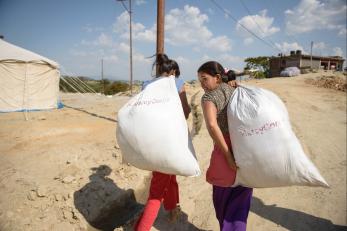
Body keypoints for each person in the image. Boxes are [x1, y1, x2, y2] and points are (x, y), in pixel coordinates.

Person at [133, 53, 191, 231]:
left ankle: (173, 208)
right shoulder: (177, 83)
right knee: (156, 192)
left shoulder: (146, 85)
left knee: (170, 176)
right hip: (169, 141)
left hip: (151, 140)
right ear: (173, 71)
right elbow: (186, 110)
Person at [197, 61, 253, 231]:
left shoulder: (209, 97)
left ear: (218, 78)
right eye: (199, 80)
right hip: (244, 149)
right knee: (239, 206)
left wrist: (228, 157)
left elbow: (213, 126)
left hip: (225, 153)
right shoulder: (234, 89)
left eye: (204, 79)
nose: (202, 84)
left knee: (223, 203)